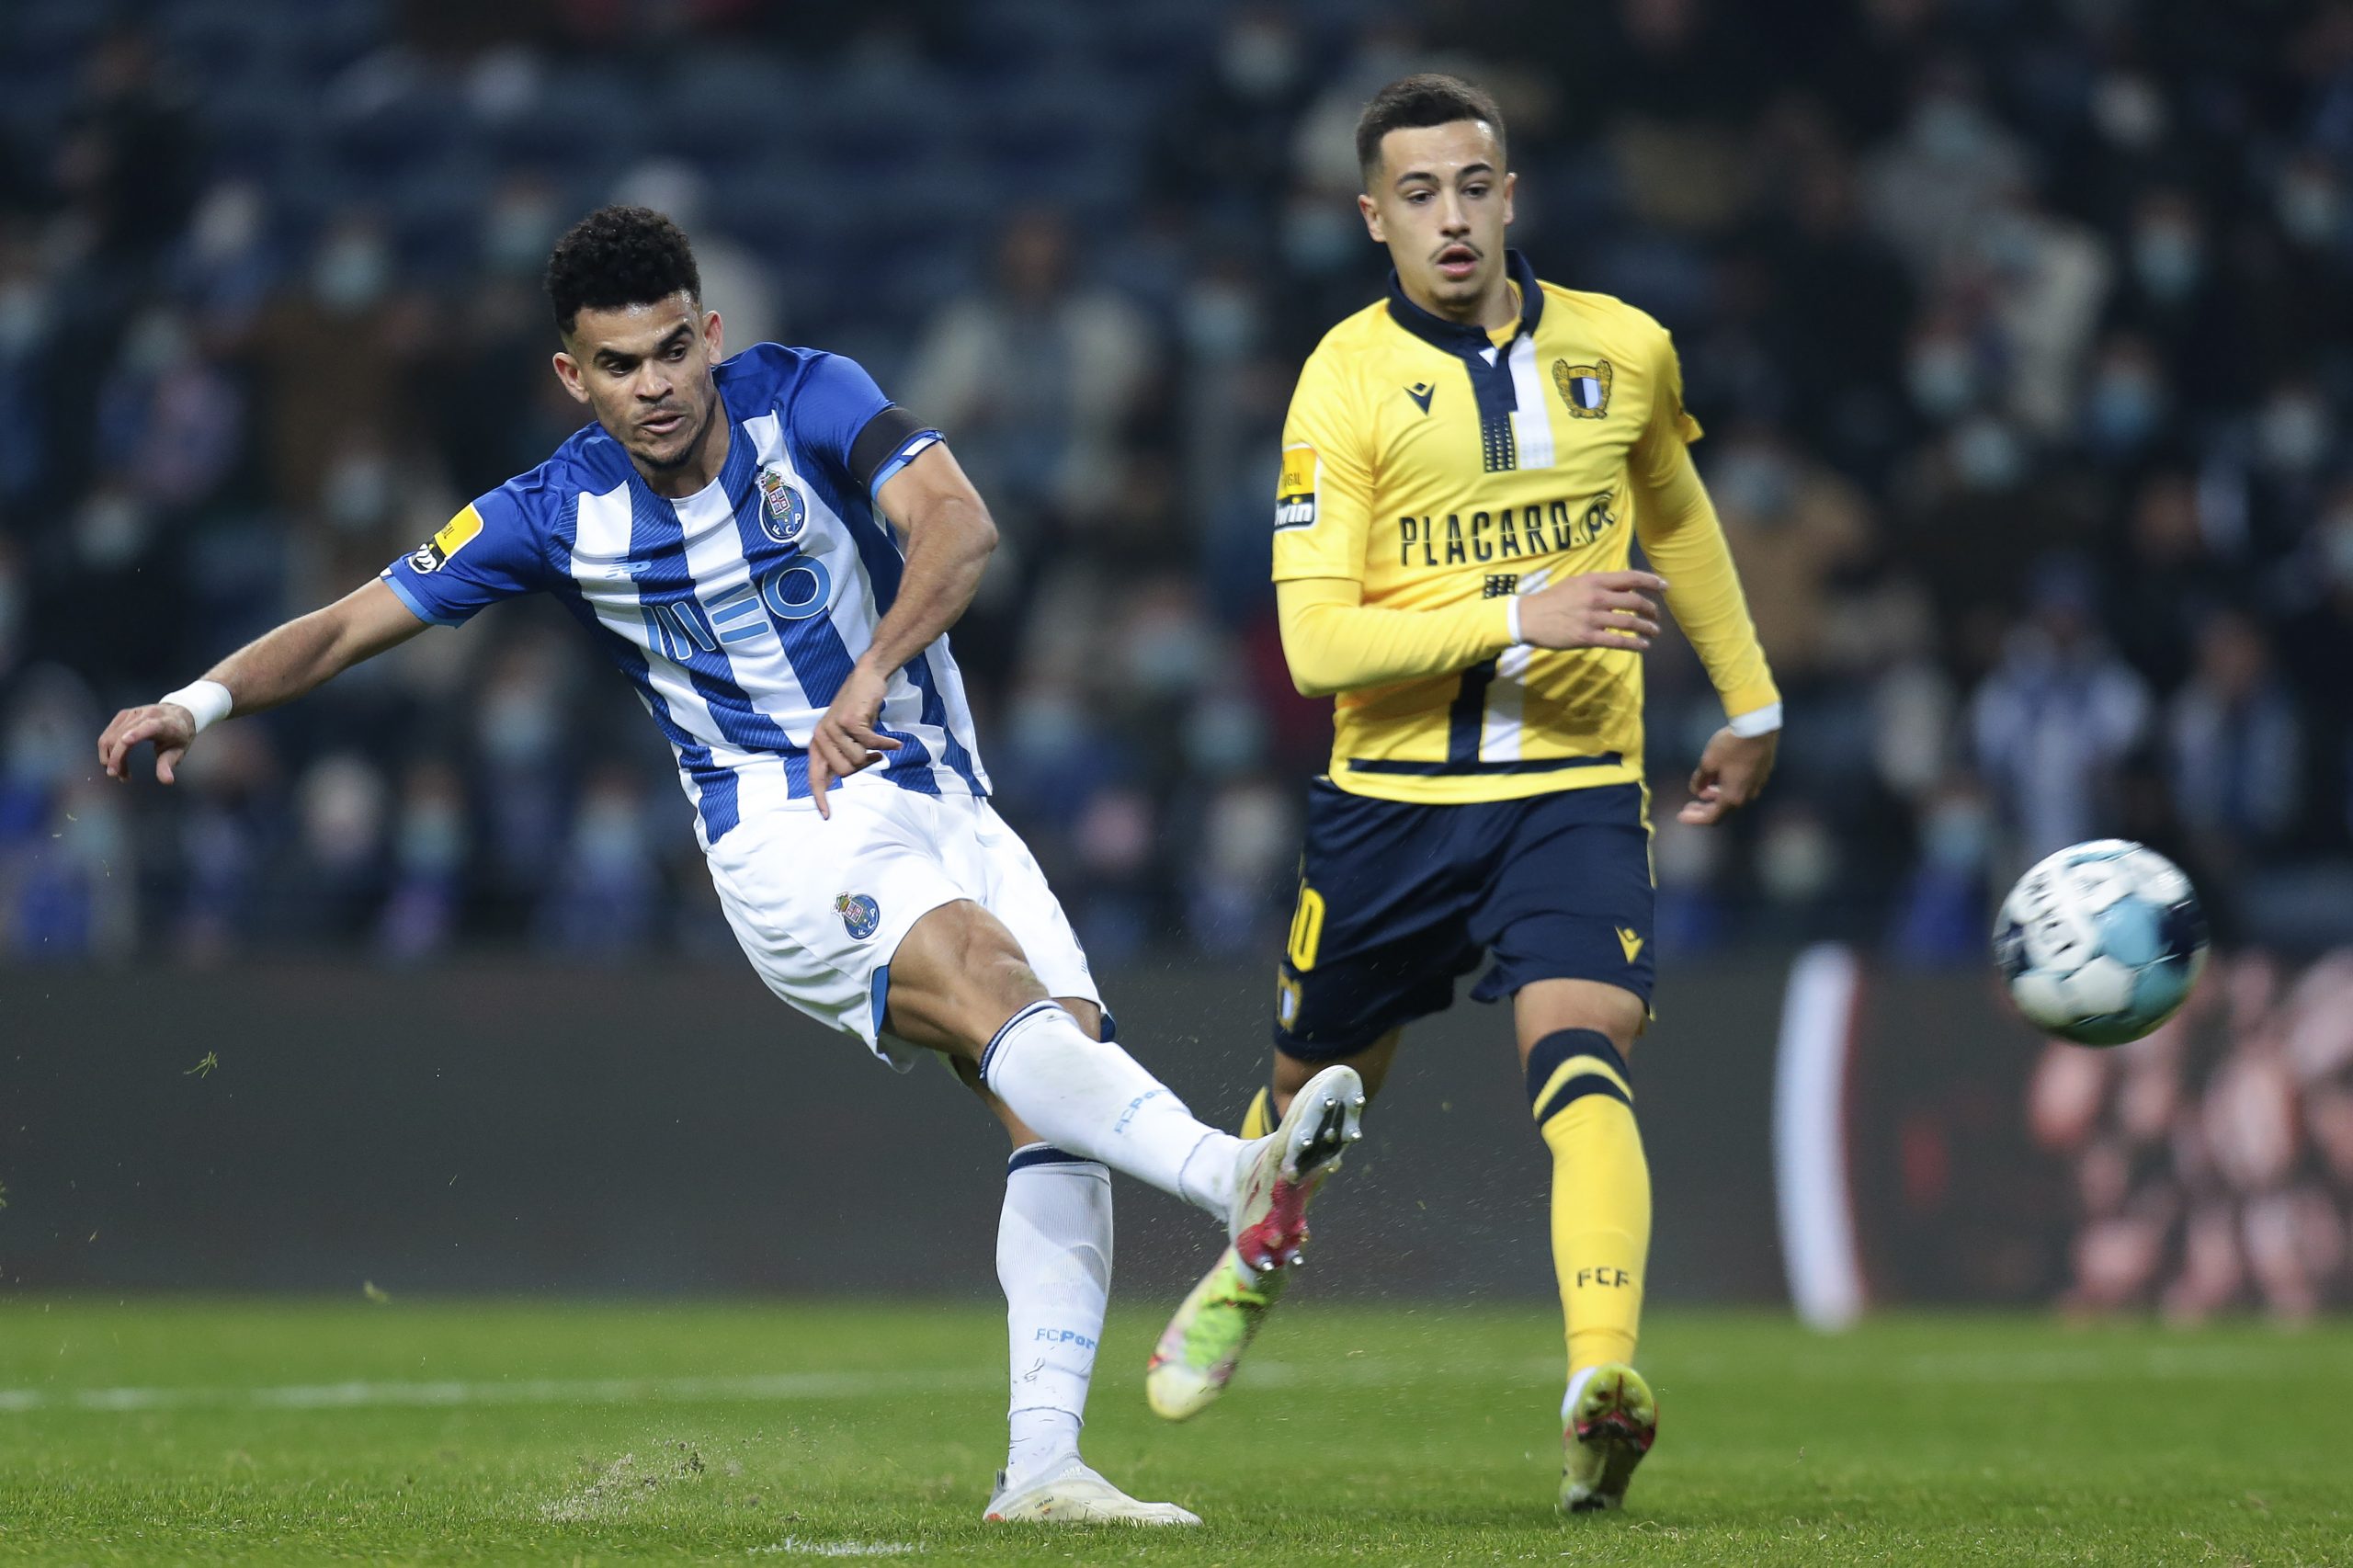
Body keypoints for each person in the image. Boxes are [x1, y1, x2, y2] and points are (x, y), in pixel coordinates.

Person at [97, 206, 1364, 1528]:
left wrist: (870, 673)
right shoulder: (551, 510)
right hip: (783, 828)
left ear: (710, 336)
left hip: (944, 798)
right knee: (992, 988)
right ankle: (1237, 1176)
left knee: (1062, 1091)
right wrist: (200, 701)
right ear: (570, 378)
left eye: (668, 352)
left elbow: (959, 525)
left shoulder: (812, 398)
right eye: (617, 365)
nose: (651, 387)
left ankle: (1042, 1467)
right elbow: (357, 617)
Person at [1144, 76, 1782, 1515]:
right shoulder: (1345, 380)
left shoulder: (1624, 349)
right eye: (1417, 194)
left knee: (1585, 1050)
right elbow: (1316, 647)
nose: (1451, 216)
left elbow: (1673, 508)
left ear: (1512, 195)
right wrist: (1520, 610)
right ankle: (1254, 1255)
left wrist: (1753, 700)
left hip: (1573, 789)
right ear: (1372, 217)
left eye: (1474, 186)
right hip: (1393, 804)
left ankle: (1599, 1381)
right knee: (1314, 1102)